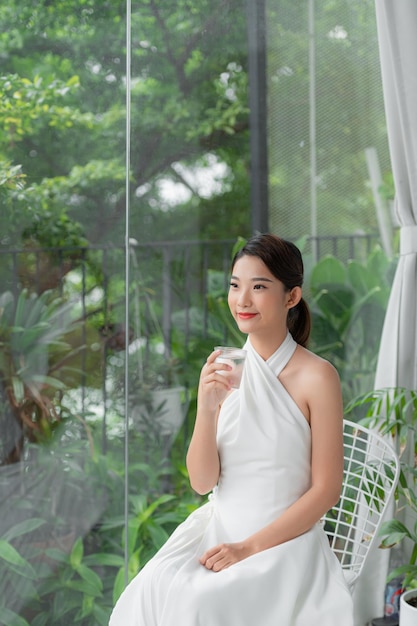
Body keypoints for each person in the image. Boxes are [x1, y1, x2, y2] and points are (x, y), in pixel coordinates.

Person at [109, 233, 354, 625]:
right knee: (150, 590)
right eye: (235, 286)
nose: (242, 300)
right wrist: (206, 410)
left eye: (259, 287)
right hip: (218, 530)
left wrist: (247, 548)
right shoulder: (225, 367)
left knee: (198, 605)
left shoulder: (318, 377)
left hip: (282, 543)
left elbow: (326, 490)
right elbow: (202, 483)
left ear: (291, 297)